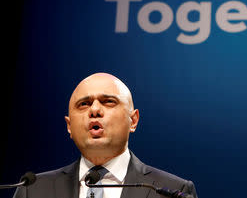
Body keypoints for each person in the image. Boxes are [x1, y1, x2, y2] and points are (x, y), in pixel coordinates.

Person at [13, 72, 198, 198]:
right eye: (84, 104)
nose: (94, 110)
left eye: (108, 102)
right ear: (69, 126)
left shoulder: (173, 192)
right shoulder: (32, 191)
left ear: (133, 121)